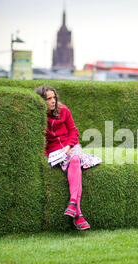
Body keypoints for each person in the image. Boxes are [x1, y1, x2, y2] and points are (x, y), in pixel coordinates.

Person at [35, 85, 102, 231]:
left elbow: (73, 130)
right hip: (54, 152)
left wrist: (69, 146)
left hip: (70, 146)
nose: (53, 101)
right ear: (41, 101)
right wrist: (49, 155)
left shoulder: (64, 110)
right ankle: (77, 213)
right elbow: (40, 141)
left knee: (76, 159)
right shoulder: (38, 117)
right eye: (48, 99)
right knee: (74, 162)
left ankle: (73, 203)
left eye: (54, 97)